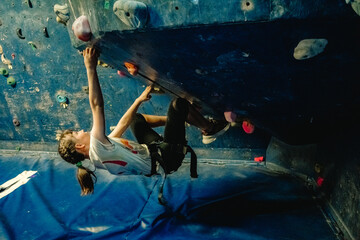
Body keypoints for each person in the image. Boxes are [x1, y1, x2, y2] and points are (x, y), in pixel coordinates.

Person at [57, 47, 230, 196]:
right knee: (178, 104)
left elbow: (123, 124)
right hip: (166, 158)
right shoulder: (96, 147)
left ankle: (183, 119)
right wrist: (90, 68)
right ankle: (209, 129)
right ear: (80, 146)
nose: (79, 131)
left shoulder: (99, 153)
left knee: (136, 120)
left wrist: (138, 101)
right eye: (76, 134)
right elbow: (96, 105)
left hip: (154, 154)